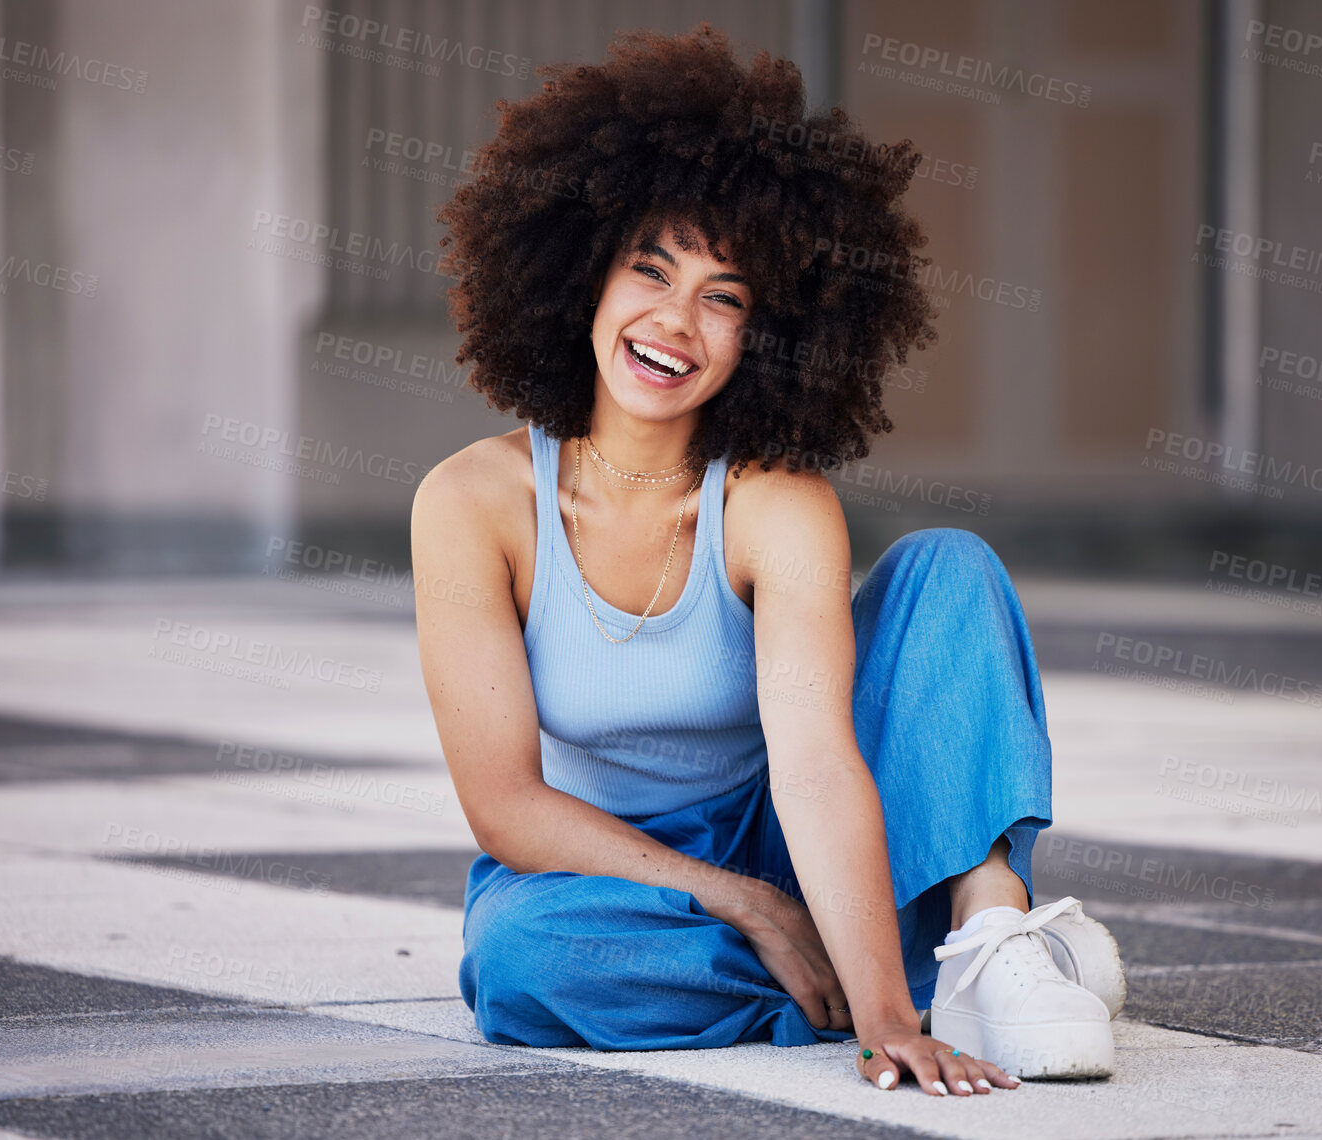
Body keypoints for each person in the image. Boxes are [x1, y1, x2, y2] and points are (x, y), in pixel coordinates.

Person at [412, 23, 1125, 1096]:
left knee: (944, 567)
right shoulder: (472, 501)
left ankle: (978, 943)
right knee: (522, 961)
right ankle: (882, 968)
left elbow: (816, 765)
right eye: (648, 269)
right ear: (580, 277)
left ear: (771, 331)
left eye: (724, 296)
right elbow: (505, 805)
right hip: (613, 873)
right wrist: (739, 900)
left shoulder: (774, 500)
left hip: (796, 836)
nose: (674, 321)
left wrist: (884, 1028)